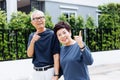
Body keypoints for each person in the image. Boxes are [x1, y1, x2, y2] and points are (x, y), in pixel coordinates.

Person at [27, 10, 60, 80]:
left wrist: (56, 74)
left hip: (49, 71)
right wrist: (33, 41)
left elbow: (56, 56)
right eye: (36, 18)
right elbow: (29, 54)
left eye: (41, 17)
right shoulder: (32, 36)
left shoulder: (52, 34)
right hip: (36, 72)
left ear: (44, 19)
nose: (39, 20)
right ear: (32, 22)